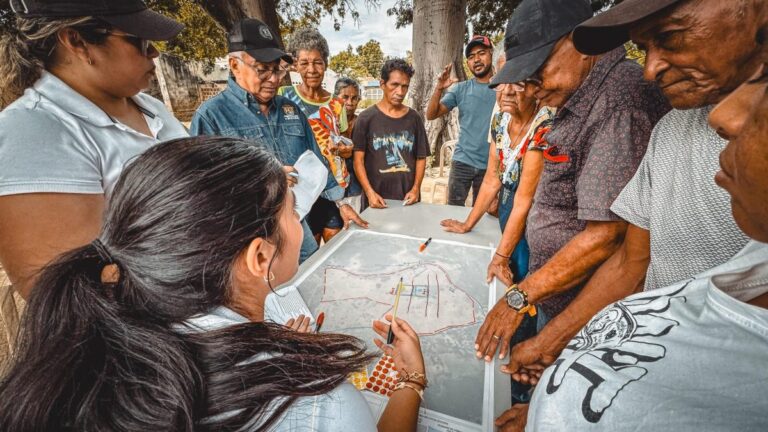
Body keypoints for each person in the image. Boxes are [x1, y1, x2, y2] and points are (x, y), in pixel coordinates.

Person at [0, 136, 427, 431]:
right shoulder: (318, 404)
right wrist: (411, 381)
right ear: (261, 257)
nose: (299, 224)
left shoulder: (81, 362)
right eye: (293, 210)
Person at [504, 0, 766, 398]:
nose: (650, 69)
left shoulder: (623, 99)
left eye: (670, 37)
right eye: (645, 48)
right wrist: (553, 349)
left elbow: (606, 236)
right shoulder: (672, 128)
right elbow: (632, 261)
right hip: (654, 369)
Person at [474, 1, 670, 422]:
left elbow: (608, 235)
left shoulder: (620, 101)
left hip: (595, 316)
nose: (529, 84)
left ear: (580, 44)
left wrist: (521, 299)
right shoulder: (581, 94)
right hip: (563, 302)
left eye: (537, 67)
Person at [0, 0, 187, 360]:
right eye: (140, 42)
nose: (156, 53)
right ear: (77, 41)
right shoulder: (34, 132)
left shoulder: (152, 109)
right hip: (138, 352)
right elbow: (73, 292)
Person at [190, 18, 367, 263]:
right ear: (234, 65)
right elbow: (201, 192)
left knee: (308, 279)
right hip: (248, 238)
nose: (273, 79)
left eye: (277, 69)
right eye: (262, 69)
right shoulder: (211, 117)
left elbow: (316, 159)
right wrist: (260, 180)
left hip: (294, 224)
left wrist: (341, 203)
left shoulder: (291, 110)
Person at [280, 27, 352, 243]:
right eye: (304, 63)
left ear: (326, 65)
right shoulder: (284, 98)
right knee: (306, 250)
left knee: (335, 247)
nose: (311, 69)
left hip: (333, 189)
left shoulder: (337, 105)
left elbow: (346, 144)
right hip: (300, 189)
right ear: (295, 66)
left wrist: (346, 150)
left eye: (317, 62)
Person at [426, 35, 497, 206]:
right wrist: (439, 88)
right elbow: (431, 114)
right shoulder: (461, 89)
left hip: (491, 165)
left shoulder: (504, 88)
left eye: (481, 53)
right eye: (471, 57)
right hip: (462, 162)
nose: (476, 60)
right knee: (453, 211)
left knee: (484, 216)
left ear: (491, 54)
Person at [353, 59, 430, 210]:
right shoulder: (365, 118)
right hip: (376, 199)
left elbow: (421, 157)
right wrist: (369, 193)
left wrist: (416, 189)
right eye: (394, 85)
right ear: (382, 84)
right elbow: (358, 161)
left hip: (408, 199)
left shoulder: (414, 118)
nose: (400, 92)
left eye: (405, 86)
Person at [335, 77, 364, 212]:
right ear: (336, 98)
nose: (350, 102)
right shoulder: (328, 123)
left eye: (354, 98)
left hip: (355, 186)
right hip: (333, 186)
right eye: (345, 97)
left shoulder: (362, 123)